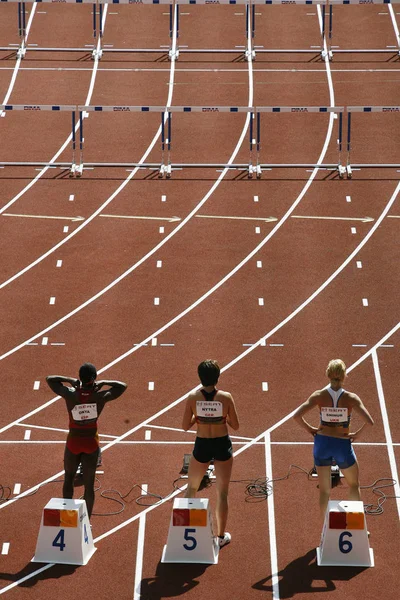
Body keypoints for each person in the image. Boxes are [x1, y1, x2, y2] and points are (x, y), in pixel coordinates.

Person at [293, 359, 374, 519]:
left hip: (322, 443)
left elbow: (296, 416)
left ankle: (325, 529)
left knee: (324, 490)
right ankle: (355, 525)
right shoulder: (351, 398)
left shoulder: (319, 395)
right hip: (342, 444)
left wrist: (311, 429)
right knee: (353, 485)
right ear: (344, 376)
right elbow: (370, 422)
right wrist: (356, 434)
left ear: (328, 374)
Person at [46, 363, 127, 518]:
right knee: (89, 486)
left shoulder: (71, 394)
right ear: (94, 378)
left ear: (80, 378)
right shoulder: (100, 396)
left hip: (73, 442)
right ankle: (87, 524)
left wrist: (69, 380)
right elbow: (122, 386)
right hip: (91, 443)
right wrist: (104, 383)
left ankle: (67, 517)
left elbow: (50, 380)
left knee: (68, 478)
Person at [182, 359, 239, 548]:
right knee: (222, 493)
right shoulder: (226, 397)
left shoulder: (192, 397)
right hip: (222, 444)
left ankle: (186, 531)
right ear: (218, 377)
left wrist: (198, 416)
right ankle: (220, 536)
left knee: (192, 488)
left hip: (202, 444)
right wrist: (221, 417)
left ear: (200, 377)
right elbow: (236, 425)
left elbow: (184, 426)